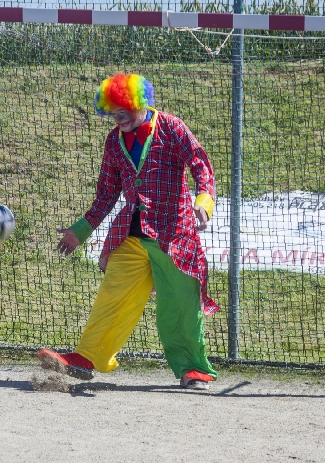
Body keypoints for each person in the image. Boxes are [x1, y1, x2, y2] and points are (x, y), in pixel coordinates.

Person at [37, 73, 219, 390]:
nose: (118, 118)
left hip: (174, 236)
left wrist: (203, 202)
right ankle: (87, 357)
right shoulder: (113, 142)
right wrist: (80, 231)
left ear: (140, 103)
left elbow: (200, 165)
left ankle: (193, 369)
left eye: (124, 111)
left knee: (180, 307)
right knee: (112, 297)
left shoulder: (172, 127)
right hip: (130, 235)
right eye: (113, 113)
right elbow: (107, 194)